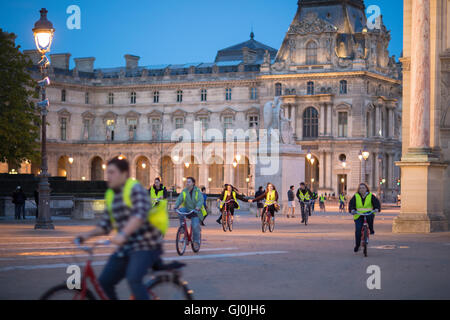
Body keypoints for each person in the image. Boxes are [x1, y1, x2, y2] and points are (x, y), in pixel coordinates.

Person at [75, 157, 163, 300]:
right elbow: (105, 225)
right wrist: (86, 236)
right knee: (104, 282)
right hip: (126, 248)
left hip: (146, 246)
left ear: (123, 174)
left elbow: (140, 215)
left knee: (133, 279)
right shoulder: (112, 195)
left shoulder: (135, 189)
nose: (107, 176)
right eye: (107, 172)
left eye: (112, 172)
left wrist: (123, 233)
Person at [348, 183, 381, 253]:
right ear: (358, 189)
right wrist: (352, 210)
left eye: (363, 188)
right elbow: (351, 204)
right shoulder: (356, 196)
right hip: (358, 215)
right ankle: (357, 245)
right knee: (358, 230)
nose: (362, 189)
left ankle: (371, 229)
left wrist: (377, 208)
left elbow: (377, 203)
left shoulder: (371, 196)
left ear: (366, 189)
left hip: (368, 213)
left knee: (370, 219)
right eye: (360, 188)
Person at [174, 177, 205, 248]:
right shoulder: (184, 191)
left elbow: (201, 200)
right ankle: (183, 228)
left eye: (189, 182)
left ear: (193, 183)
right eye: (187, 182)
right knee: (180, 211)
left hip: (196, 211)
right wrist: (176, 206)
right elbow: (179, 199)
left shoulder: (197, 191)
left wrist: (198, 207)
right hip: (187, 209)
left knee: (195, 226)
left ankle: (196, 241)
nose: (187, 183)